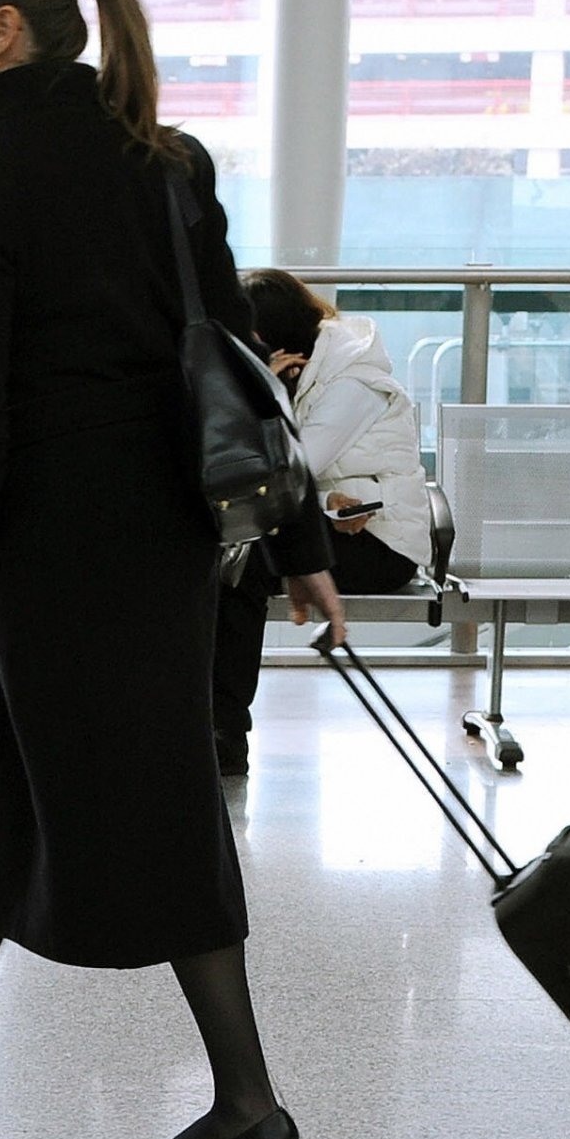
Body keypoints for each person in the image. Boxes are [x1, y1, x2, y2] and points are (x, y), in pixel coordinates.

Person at [0, 0, 345, 1139]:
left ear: (3, 28)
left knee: (155, 808)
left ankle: (248, 1099)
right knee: (1, 771)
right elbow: (236, 360)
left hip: (49, 542)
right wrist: (296, 542)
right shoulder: (161, 160)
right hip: (159, 532)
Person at [211, 268, 426, 776]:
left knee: (242, 567)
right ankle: (216, 721)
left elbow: (289, 467)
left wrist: (262, 389)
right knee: (233, 560)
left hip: (382, 543)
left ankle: (224, 731)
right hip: (342, 525)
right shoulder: (320, 372)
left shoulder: (352, 381)